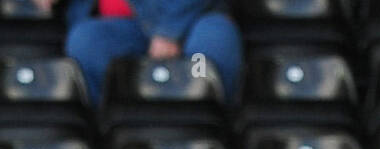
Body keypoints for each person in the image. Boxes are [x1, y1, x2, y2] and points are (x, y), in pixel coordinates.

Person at [55, 0, 244, 106]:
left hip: (195, 17)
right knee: (87, 40)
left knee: (215, 39)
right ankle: (113, 148)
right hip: (125, 26)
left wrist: (169, 29)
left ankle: (205, 147)